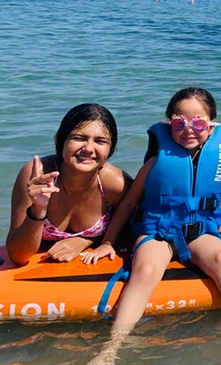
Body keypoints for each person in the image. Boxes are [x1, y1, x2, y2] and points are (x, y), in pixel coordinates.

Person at [84, 88, 221, 365]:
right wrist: (108, 242)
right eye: (180, 123)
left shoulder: (219, 159)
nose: (189, 129)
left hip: (201, 230)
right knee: (146, 272)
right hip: (159, 230)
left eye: (198, 122)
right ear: (169, 124)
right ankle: (113, 345)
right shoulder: (157, 159)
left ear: (211, 125)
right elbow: (128, 204)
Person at [7, 104, 132, 266]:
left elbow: (130, 232)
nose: (88, 148)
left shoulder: (117, 185)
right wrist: (38, 208)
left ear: (110, 149)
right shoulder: (37, 176)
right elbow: (18, 256)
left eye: (100, 141)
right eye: (79, 138)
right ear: (61, 140)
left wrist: (84, 241)